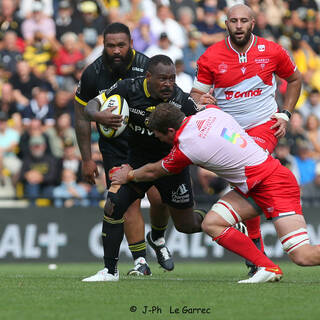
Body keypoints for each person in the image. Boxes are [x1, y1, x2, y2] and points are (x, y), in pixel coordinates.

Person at [111, 103, 320, 283]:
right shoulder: (211, 112)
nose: (157, 138)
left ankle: (266, 266)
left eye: (158, 134)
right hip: (253, 185)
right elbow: (205, 104)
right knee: (211, 223)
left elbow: (153, 171)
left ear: (170, 130)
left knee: (302, 256)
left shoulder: (186, 146)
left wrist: (128, 176)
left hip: (274, 185)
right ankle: (267, 267)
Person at [190, 4, 302, 276]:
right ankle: (258, 257)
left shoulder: (272, 51)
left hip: (264, 127)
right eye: (233, 21)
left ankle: (257, 258)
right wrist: (200, 100)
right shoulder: (211, 56)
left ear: (253, 22)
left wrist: (285, 114)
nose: (238, 25)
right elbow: (195, 95)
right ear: (225, 23)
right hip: (229, 133)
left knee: (250, 174)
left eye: (243, 21)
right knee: (247, 184)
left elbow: (295, 78)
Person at [82, 55, 206, 282]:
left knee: (186, 225)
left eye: (172, 78)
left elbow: (204, 127)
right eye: (163, 79)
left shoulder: (182, 101)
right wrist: (98, 115)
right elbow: (90, 105)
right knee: (113, 205)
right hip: (138, 162)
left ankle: (219, 219)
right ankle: (110, 271)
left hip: (171, 166)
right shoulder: (127, 88)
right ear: (148, 77)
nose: (168, 84)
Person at [74, 23, 174, 280]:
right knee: (126, 201)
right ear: (103, 44)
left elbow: (168, 100)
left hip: (148, 143)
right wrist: (87, 158)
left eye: (121, 45)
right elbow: (81, 117)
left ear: (131, 42)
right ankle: (140, 261)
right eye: (110, 45)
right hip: (115, 148)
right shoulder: (92, 74)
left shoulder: (148, 66)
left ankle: (158, 238)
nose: (116, 50)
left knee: (160, 199)